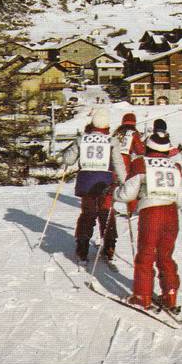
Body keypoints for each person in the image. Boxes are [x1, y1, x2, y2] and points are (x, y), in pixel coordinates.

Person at [112, 118, 182, 314]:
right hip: (171, 213)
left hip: (151, 213)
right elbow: (180, 197)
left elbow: (128, 194)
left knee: (146, 254)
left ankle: (142, 295)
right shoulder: (175, 167)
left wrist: (114, 193)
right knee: (166, 255)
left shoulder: (141, 164)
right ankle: (170, 293)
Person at [62, 108, 118, 263]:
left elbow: (68, 160)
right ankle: (109, 247)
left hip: (86, 181)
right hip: (105, 182)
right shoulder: (111, 140)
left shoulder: (82, 139)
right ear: (106, 125)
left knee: (88, 214)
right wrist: (123, 180)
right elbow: (118, 164)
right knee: (106, 213)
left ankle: (82, 248)